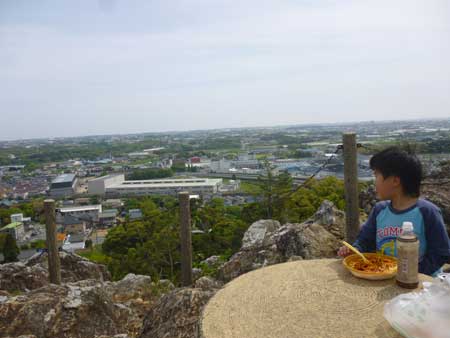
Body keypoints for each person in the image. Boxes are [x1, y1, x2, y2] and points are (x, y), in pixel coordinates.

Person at [337, 147, 450, 276]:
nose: (375, 182)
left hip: (420, 284)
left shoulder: (427, 212)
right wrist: (355, 250)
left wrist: (412, 273)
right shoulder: (379, 210)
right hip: (384, 274)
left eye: (376, 176)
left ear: (395, 181)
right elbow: (365, 241)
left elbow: (441, 252)